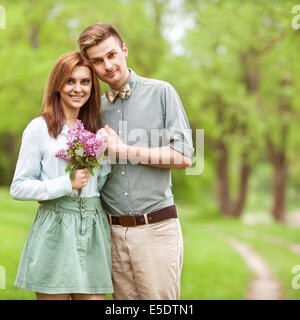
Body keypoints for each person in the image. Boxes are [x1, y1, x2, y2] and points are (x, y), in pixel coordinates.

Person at [78, 23, 194, 300]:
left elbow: (184, 157)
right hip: (111, 232)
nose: (107, 65)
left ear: (124, 50)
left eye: (111, 55)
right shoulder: (92, 108)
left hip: (156, 227)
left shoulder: (162, 93)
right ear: (91, 66)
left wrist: (125, 150)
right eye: (97, 61)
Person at [10, 51, 114, 300]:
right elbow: (19, 187)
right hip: (55, 227)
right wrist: (65, 184)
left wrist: (106, 153)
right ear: (58, 84)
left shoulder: (95, 130)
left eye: (85, 82)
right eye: (70, 81)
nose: (78, 88)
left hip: (92, 226)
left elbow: (98, 185)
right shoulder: (39, 129)